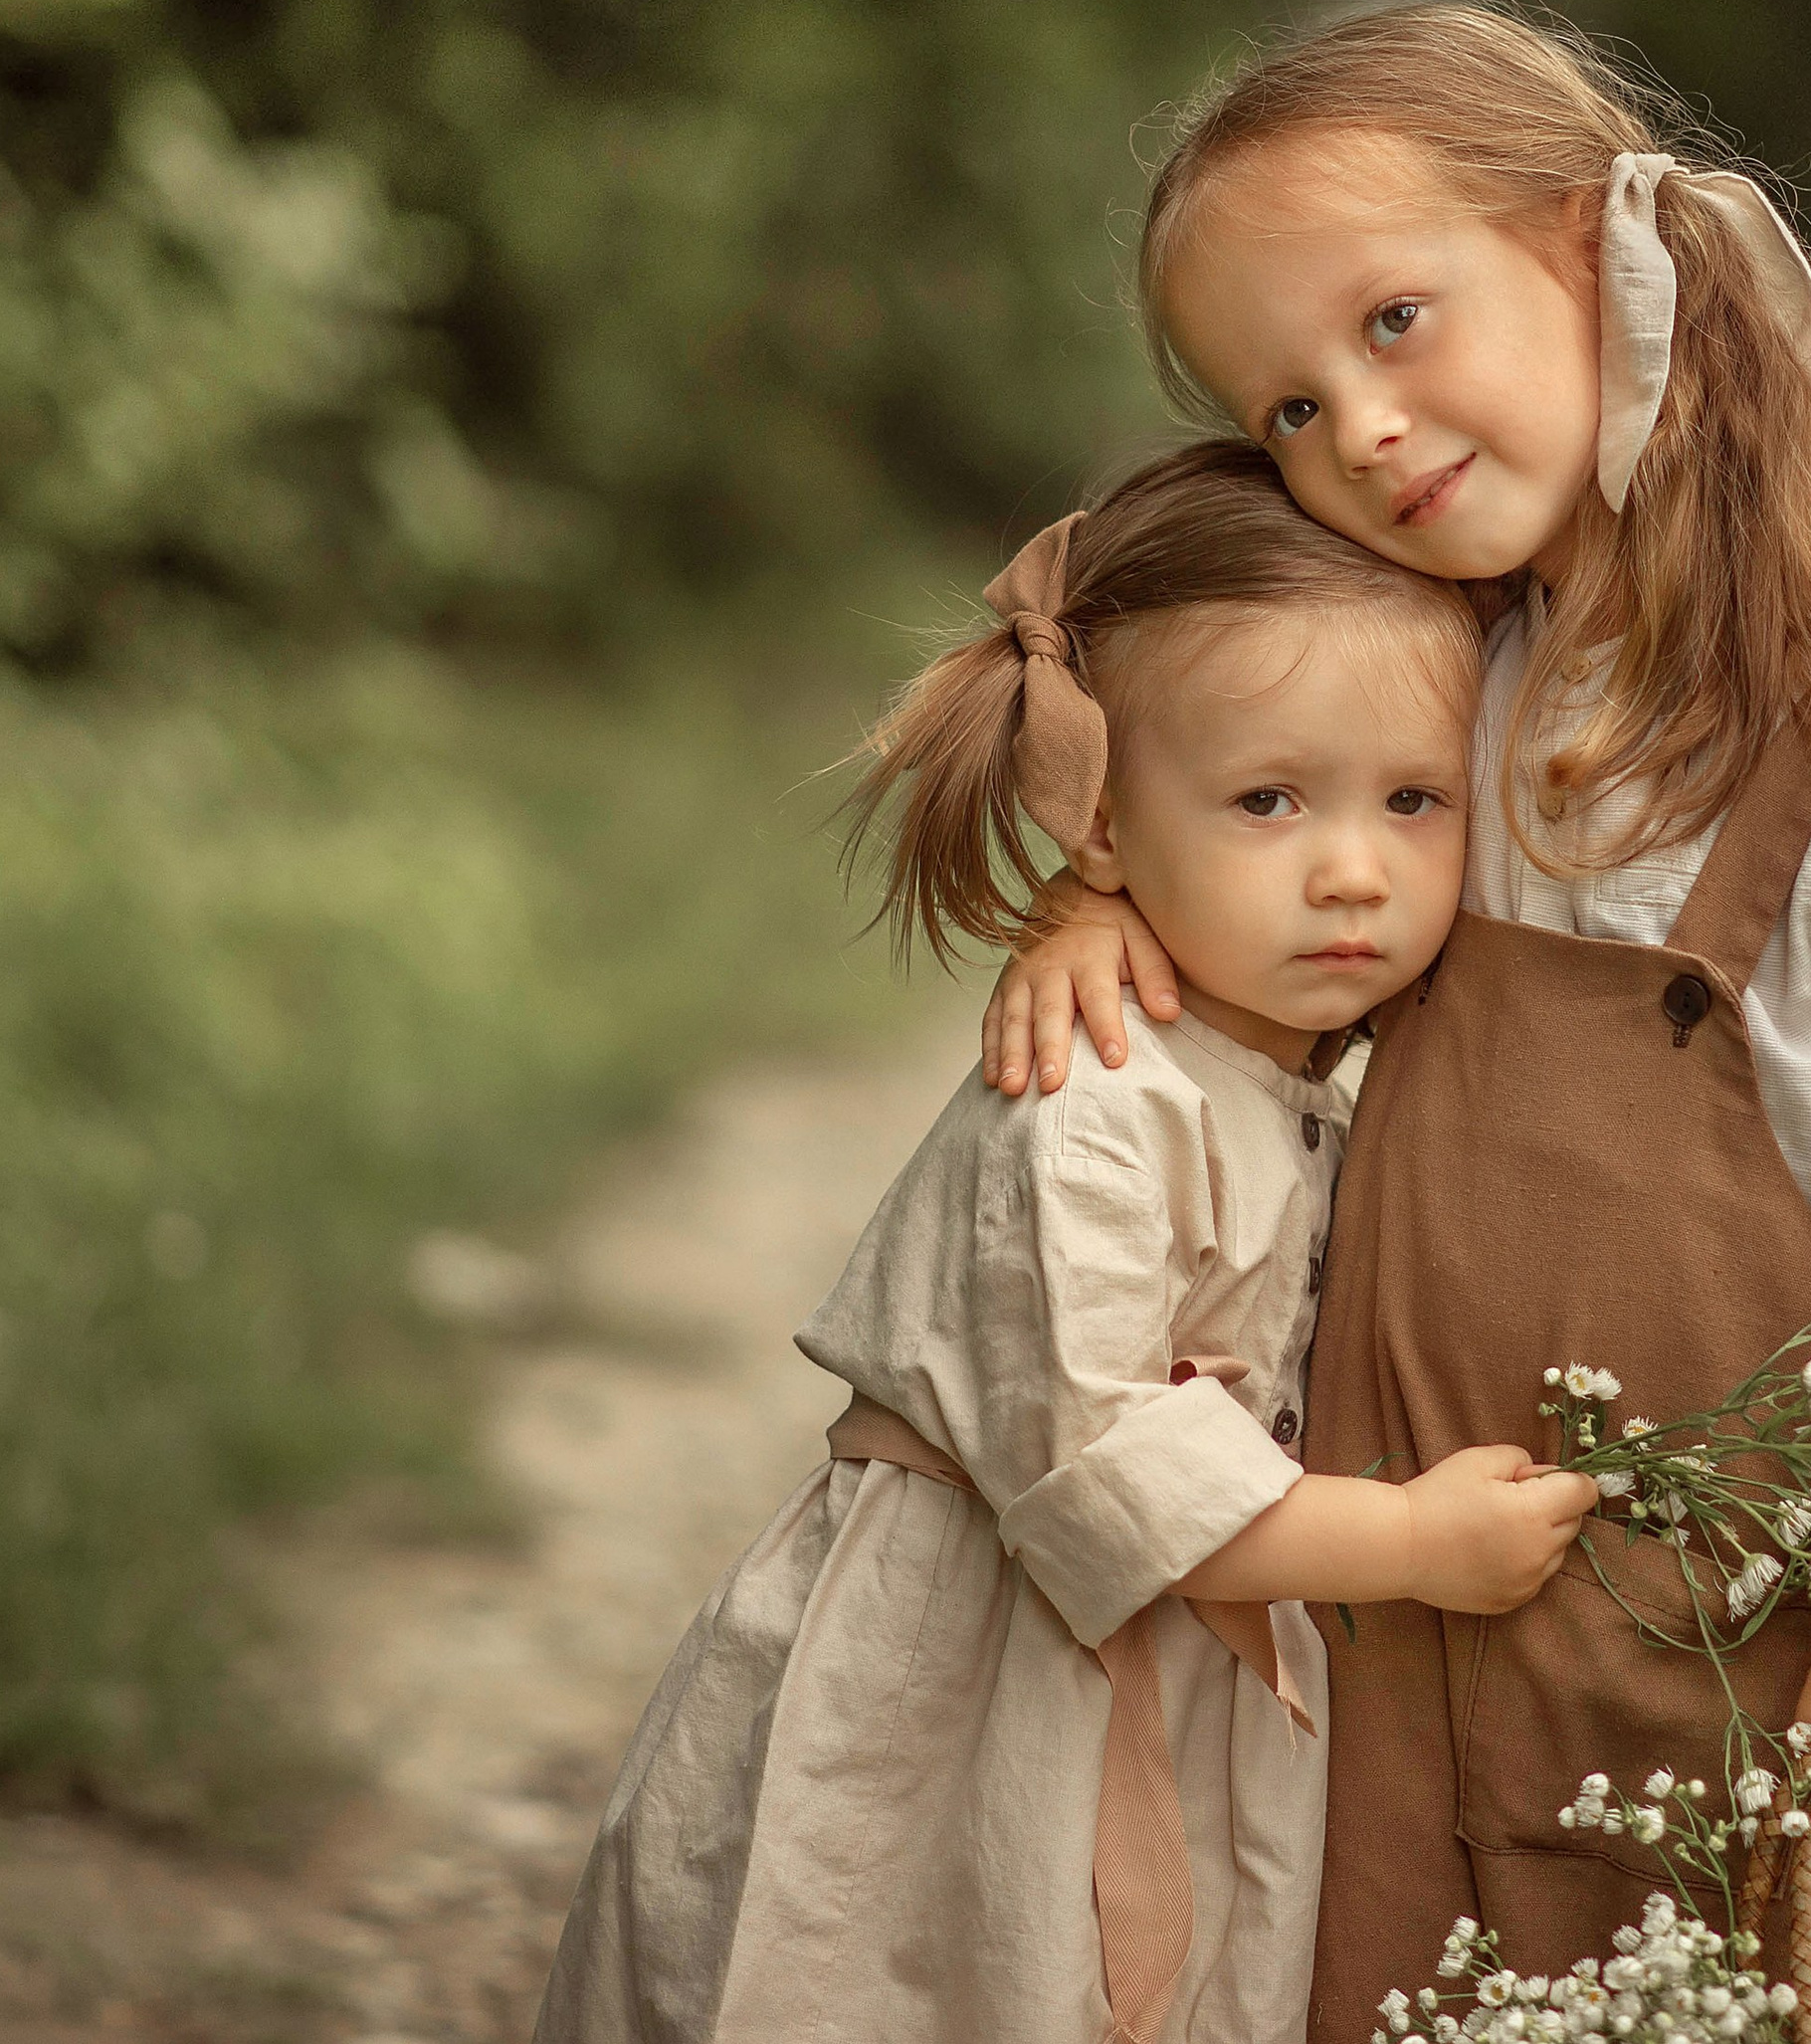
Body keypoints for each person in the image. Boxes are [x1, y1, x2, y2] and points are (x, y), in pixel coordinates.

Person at [979, 2, 1811, 2035]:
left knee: (1658, 1990)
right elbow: (1201, 758)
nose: (1356, 427)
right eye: (1287, 407)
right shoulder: (1431, 685)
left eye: (1392, 321)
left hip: (1694, 1604)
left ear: (1594, 247)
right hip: (1397, 1572)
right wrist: (1089, 889)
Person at [532, 438, 1600, 2044]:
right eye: (1267, 801)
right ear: (1099, 824)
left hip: (1146, 1658)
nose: (1355, 869)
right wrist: (1412, 1549)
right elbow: (1105, 1467)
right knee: (899, 1983)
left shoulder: (1322, 1052)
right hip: (973, 1682)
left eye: (1415, 800)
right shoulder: (1094, 1103)